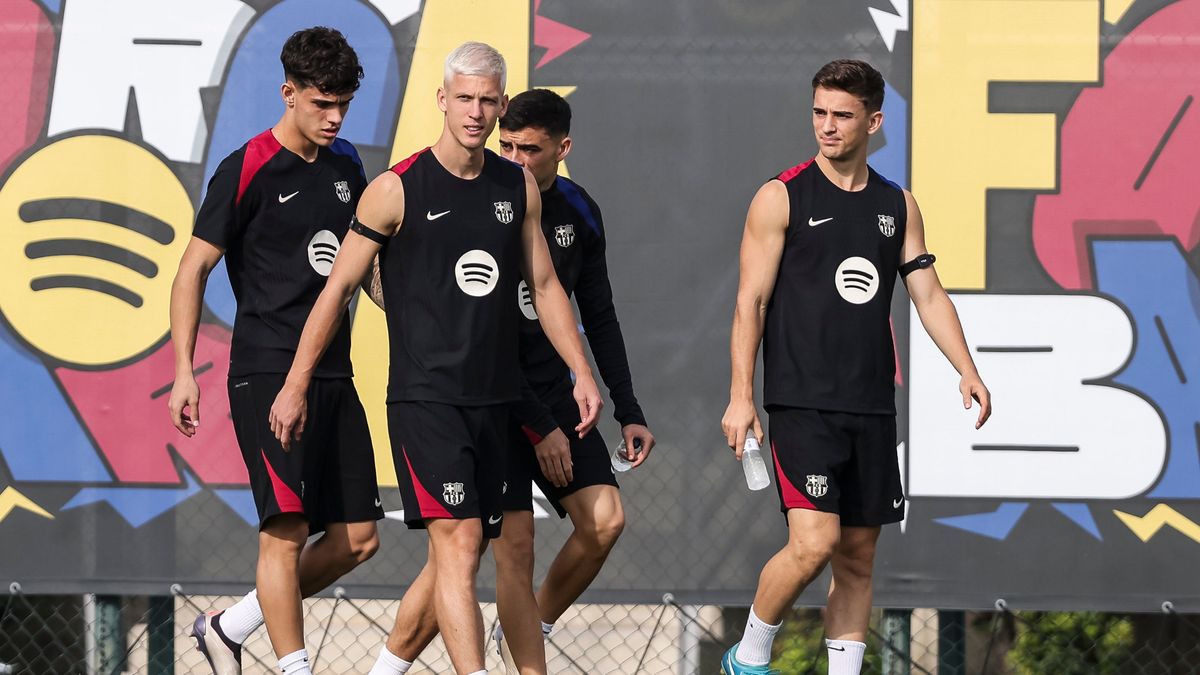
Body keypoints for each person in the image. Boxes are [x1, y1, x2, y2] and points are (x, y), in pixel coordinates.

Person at [266, 42, 603, 675]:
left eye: (488, 101)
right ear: (442, 100)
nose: (475, 112)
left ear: (501, 106)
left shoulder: (517, 186)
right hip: (426, 403)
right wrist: (295, 383)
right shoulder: (396, 189)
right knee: (460, 542)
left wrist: (581, 370)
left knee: (485, 552)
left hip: (499, 401)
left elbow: (549, 286)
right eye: (465, 98)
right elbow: (337, 289)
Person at [718, 59, 992, 675]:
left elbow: (927, 292)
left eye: (842, 115)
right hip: (801, 405)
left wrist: (966, 368)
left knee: (859, 559)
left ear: (874, 121)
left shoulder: (897, 205)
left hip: (870, 405)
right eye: (819, 112)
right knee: (814, 543)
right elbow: (750, 302)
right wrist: (742, 396)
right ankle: (751, 652)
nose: (827, 126)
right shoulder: (780, 195)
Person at [167, 27, 382, 675]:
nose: (335, 116)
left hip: (335, 373)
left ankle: (228, 627)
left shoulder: (348, 165)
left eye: (343, 103)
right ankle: (294, 667)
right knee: (285, 528)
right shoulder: (247, 166)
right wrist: (183, 371)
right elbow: (191, 271)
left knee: (357, 540)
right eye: (322, 103)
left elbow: (368, 268)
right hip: (265, 372)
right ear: (288, 92)